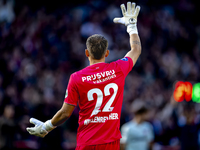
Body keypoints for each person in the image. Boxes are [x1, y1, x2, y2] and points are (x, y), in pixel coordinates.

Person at [26, 2, 142, 150]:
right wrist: (131, 26)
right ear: (107, 53)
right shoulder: (118, 69)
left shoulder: (76, 78)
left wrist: (46, 127)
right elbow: (136, 49)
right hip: (111, 143)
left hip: (86, 143)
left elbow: (65, 113)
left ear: (87, 53)